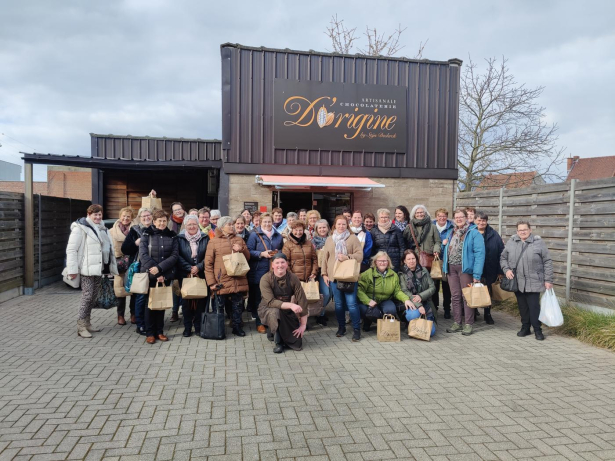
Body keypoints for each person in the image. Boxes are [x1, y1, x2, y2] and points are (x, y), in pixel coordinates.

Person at [67, 204, 119, 338]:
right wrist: (72, 270)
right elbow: (72, 249)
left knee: (93, 296)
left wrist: (109, 268)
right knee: (87, 296)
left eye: (99, 214)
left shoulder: (103, 228)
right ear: (89, 215)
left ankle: (88, 323)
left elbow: (108, 250)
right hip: (86, 268)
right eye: (95, 214)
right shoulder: (80, 228)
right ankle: (81, 326)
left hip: (98, 269)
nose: (97, 217)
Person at [501, 221, 553, 341]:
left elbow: (547, 261)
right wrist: (506, 270)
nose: (523, 232)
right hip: (518, 281)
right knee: (522, 306)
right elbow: (503, 258)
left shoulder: (538, 243)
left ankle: (537, 330)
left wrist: (548, 280)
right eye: (520, 230)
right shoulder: (511, 242)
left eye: (525, 229)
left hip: (534, 281)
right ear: (517, 231)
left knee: (534, 307)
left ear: (530, 230)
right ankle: (525, 327)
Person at [204, 216, 251, 337]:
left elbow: (248, 258)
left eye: (232, 224)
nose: (232, 226)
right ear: (221, 227)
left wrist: (241, 249)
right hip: (221, 280)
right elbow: (208, 264)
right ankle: (218, 330)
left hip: (237, 279)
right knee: (219, 307)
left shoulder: (239, 239)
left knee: (237, 306)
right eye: (229, 224)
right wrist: (211, 283)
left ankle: (237, 327)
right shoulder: (213, 241)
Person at [442, 209, 485, 336]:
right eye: (456, 217)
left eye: (461, 217)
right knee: (455, 296)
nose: (459, 219)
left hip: (465, 269)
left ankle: (468, 324)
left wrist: (477, 275)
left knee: (467, 296)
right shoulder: (451, 232)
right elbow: (447, 250)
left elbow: (480, 254)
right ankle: (457, 322)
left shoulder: (474, 233)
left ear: (466, 218)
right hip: (451, 268)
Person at [321, 215, 363, 341]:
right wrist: (324, 274)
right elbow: (325, 258)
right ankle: (341, 327)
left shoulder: (352, 238)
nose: (341, 226)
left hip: (349, 276)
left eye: (344, 224)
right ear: (335, 225)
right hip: (334, 277)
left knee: (352, 304)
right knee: (338, 305)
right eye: (339, 224)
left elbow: (360, 256)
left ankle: (356, 330)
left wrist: (348, 257)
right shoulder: (329, 239)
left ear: (347, 225)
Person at [139, 209, 179, 344]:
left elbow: (174, 256)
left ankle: (160, 331)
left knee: (161, 304)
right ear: (154, 221)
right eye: (159, 221)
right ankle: (150, 333)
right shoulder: (146, 234)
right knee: (149, 305)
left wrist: (161, 270)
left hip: (165, 274)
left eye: (164, 221)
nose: (162, 223)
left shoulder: (172, 235)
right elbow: (143, 255)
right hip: (150, 275)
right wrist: (156, 272)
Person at [258, 253, 309, 353]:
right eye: (277, 263)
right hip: (268, 308)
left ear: (287, 264)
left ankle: (272, 332)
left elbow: (302, 300)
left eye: (282, 262)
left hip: (286, 309)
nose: (280, 265)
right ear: (272, 265)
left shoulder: (293, 278)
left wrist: (303, 325)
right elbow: (271, 302)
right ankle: (278, 342)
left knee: (297, 343)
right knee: (275, 312)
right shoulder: (265, 279)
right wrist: (291, 305)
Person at [357, 251, 415, 334]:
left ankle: (384, 324)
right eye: (380, 261)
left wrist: (406, 299)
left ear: (388, 262)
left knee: (391, 310)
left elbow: (397, 291)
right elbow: (359, 290)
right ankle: (368, 321)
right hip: (371, 300)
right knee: (364, 309)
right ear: (375, 262)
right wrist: (368, 301)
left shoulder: (393, 275)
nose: (382, 263)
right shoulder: (367, 274)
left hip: (385, 299)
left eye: (385, 261)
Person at [247, 212, 284, 333]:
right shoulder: (254, 235)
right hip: (259, 271)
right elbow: (248, 251)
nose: (267, 224)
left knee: (272, 297)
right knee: (260, 298)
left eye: (269, 221)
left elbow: (282, 251)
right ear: (260, 222)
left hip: (273, 271)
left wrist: (277, 253)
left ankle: (271, 321)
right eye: (265, 222)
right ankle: (260, 322)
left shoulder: (278, 235)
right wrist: (261, 254)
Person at [282, 220, 322, 324]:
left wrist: (314, 272)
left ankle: (304, 321)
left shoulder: (309, 243)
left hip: (308, 277)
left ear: (303, 230)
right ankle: (294, 321)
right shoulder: (288, 244)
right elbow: (286, 262)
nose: (298, 232)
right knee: (295, 301)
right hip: (294, 278)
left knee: (305, 301)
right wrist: (291, 276)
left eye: (300, 230)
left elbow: (314, 259)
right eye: (296, 230)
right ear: (292, 230)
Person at [121, 207, 153, 335]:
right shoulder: (135, 231)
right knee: (140, 296)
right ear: (139, 218)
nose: (146, 218)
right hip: (140, 268)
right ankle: (140, 324)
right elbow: (125, 249)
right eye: (143, 216)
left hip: (155, 268)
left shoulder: (156, 229)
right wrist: (135, 243)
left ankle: (151, 322)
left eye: (148, 215)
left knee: (152, 295)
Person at [176, 215, 209, 337]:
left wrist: (198, 267)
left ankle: (199, 327)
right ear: (185, 226)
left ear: (198, 225)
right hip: (184, 274)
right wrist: (189, 268)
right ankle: (187, 327)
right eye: (189, 224)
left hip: (201, 273)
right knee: (186, 302)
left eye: (194, 224)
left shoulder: (205, 238)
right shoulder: (179, 238)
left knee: (200, 300)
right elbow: (177, 255)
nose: (192, 226)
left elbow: (209, 255)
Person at [474, 211, 504, 325]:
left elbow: (501, 252)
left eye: (484, 220)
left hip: (490, 268)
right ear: (475, 220)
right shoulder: (471, 233)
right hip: (475, 268)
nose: (481, 222)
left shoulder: (494, 234)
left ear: (486, 222)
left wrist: (500, 271)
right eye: (479, 220)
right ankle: (474, 311)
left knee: (488, 292)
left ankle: (487, 314)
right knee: (475, 290)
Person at [399, 250, 437, 336]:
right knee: (413, 314)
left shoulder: (424, 270)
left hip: (425, 301)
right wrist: (419, 305)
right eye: (408, 259)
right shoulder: (401, 273)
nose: (411, 261)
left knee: (431, 332)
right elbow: (405, 291)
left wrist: (421, 296)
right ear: (404, 261)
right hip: (411, 302)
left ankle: (418, 326)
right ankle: (409, 325)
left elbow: (432, 287)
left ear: (416, 259)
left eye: (413, 258)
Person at [109, 206, 136, 325]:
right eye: (124, 216)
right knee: (120, 291)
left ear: (132, 218)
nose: (125, 218)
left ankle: (133, 314)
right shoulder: (111, 231)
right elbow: (108, 249)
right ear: (120, 217)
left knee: (135, 290)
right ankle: (120, 315)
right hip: (119, 263)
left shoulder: (136, 230)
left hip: (132, 262)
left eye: (128, 216)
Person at [432, 208, 454, 319]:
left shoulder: (451, 227)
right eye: (440, 216)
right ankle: (435, 308)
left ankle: (446, 309)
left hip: (447, 261)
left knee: (446, 287)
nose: (442, 218)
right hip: (434, 261)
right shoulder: (431, 226)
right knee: (435, 286)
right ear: (436, 217)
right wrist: (441, 246)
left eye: (444, 216)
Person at [370, 208, 406, 272]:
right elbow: (372, 248)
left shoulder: (396, 229)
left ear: (389, 217)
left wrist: (401, 260)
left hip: (394, 261)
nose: (383, 219)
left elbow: (402, 247)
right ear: (378, 218)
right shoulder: (374, 231)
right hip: (380, 261)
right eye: (381, 217)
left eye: (386, 217)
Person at [312, 219, 332, 321]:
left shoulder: (333, 239)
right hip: (320, 271)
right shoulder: (313, 242)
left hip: (332, 270)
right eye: (320, 227)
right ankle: (320, 313)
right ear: (316, 229)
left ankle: (321, 312)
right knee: (326, 293)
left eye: (324, 227)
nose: (322, 229)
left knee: (331, 293)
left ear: (328, 228)